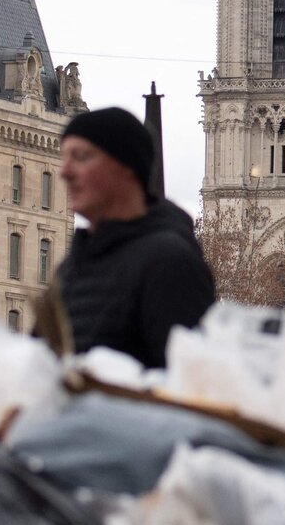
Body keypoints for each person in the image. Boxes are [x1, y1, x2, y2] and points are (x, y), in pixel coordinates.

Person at [50, 106, 214, 369]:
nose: (64, 172)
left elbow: (188, 386)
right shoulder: (70, 268)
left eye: (81, 157)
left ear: (125, 166)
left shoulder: (171, 263)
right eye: (64, 157)